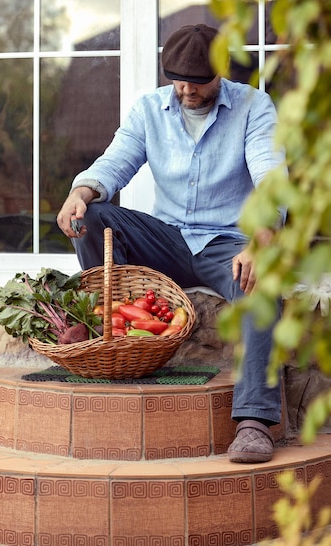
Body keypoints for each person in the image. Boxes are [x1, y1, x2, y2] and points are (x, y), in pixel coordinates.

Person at [57, 23, 286, 463]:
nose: (187, 89)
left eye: (198, 82)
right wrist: (81, 192)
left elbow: (271, 178)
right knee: (96, 218)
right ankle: (113, 345)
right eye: (179, 80)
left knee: (267, 287)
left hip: (228, 244)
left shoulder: (254, 107)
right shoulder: (148, 110)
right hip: (167, 239)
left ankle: (255, 422)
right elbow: (116, 160)